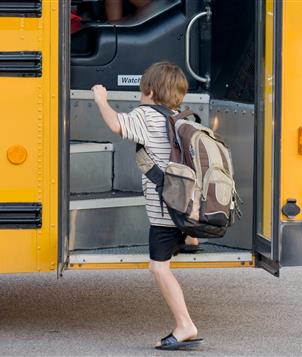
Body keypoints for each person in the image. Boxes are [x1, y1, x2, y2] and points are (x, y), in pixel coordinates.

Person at [92, 62, 203, 350]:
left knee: (158, 269)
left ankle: (185, 325)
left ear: (149, 90)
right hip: (185, 206)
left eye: (142, 89)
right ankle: (191, 236)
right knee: (170, 250)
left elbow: (118, 125)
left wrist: (101, 100)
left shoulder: (146, 115)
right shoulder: (179, 116)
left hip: (165, 213)